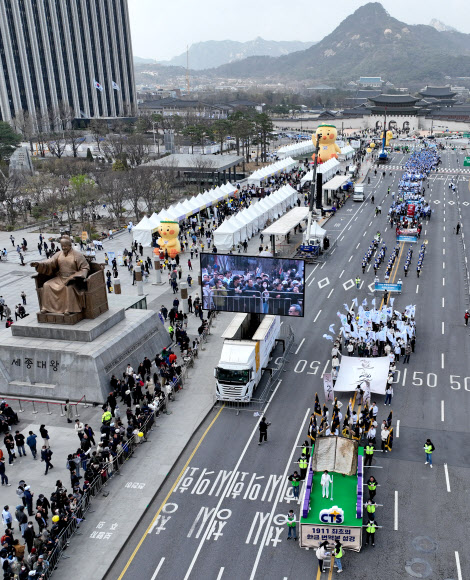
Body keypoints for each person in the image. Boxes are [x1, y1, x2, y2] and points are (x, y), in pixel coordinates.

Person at [30, 236, 90, 314]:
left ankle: (69, 309)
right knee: (46, 285)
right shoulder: (59, 254)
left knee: (68, 287)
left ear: (70, 246)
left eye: (65, 246)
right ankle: (46, 307)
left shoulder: (77, 255)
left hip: (73, 279)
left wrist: (74, 277)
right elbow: (50, 262)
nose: (63, 248)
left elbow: (85, 268)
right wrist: (39, 264)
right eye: (62, 246)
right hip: (60, 277)